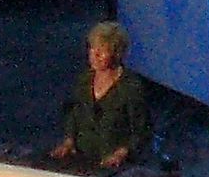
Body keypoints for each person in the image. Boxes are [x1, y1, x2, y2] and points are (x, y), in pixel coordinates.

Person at [50, 21, 151, 168]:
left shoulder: (131, 87)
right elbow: (74, 114)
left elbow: (141, 131)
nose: (94, 55)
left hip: (112, 166)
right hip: (80, 160)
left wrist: (120, 154)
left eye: (102, 51)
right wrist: (68, 142)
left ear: (116, 54)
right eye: (92, 49)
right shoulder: (84, 80)